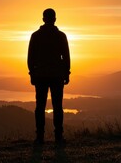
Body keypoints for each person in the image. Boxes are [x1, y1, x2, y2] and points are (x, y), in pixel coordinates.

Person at [27, 8, 71, 144]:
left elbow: (30, 58)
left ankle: (39, 136)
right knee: (58, 106)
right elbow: (66, 57)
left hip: (40, 75)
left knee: (40, 106)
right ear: (55, 19)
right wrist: (66, 73)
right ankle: (58, 136)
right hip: (57, 75)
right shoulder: (61, 36)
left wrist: (32, 74)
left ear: (43, 19)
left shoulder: (35, 36)